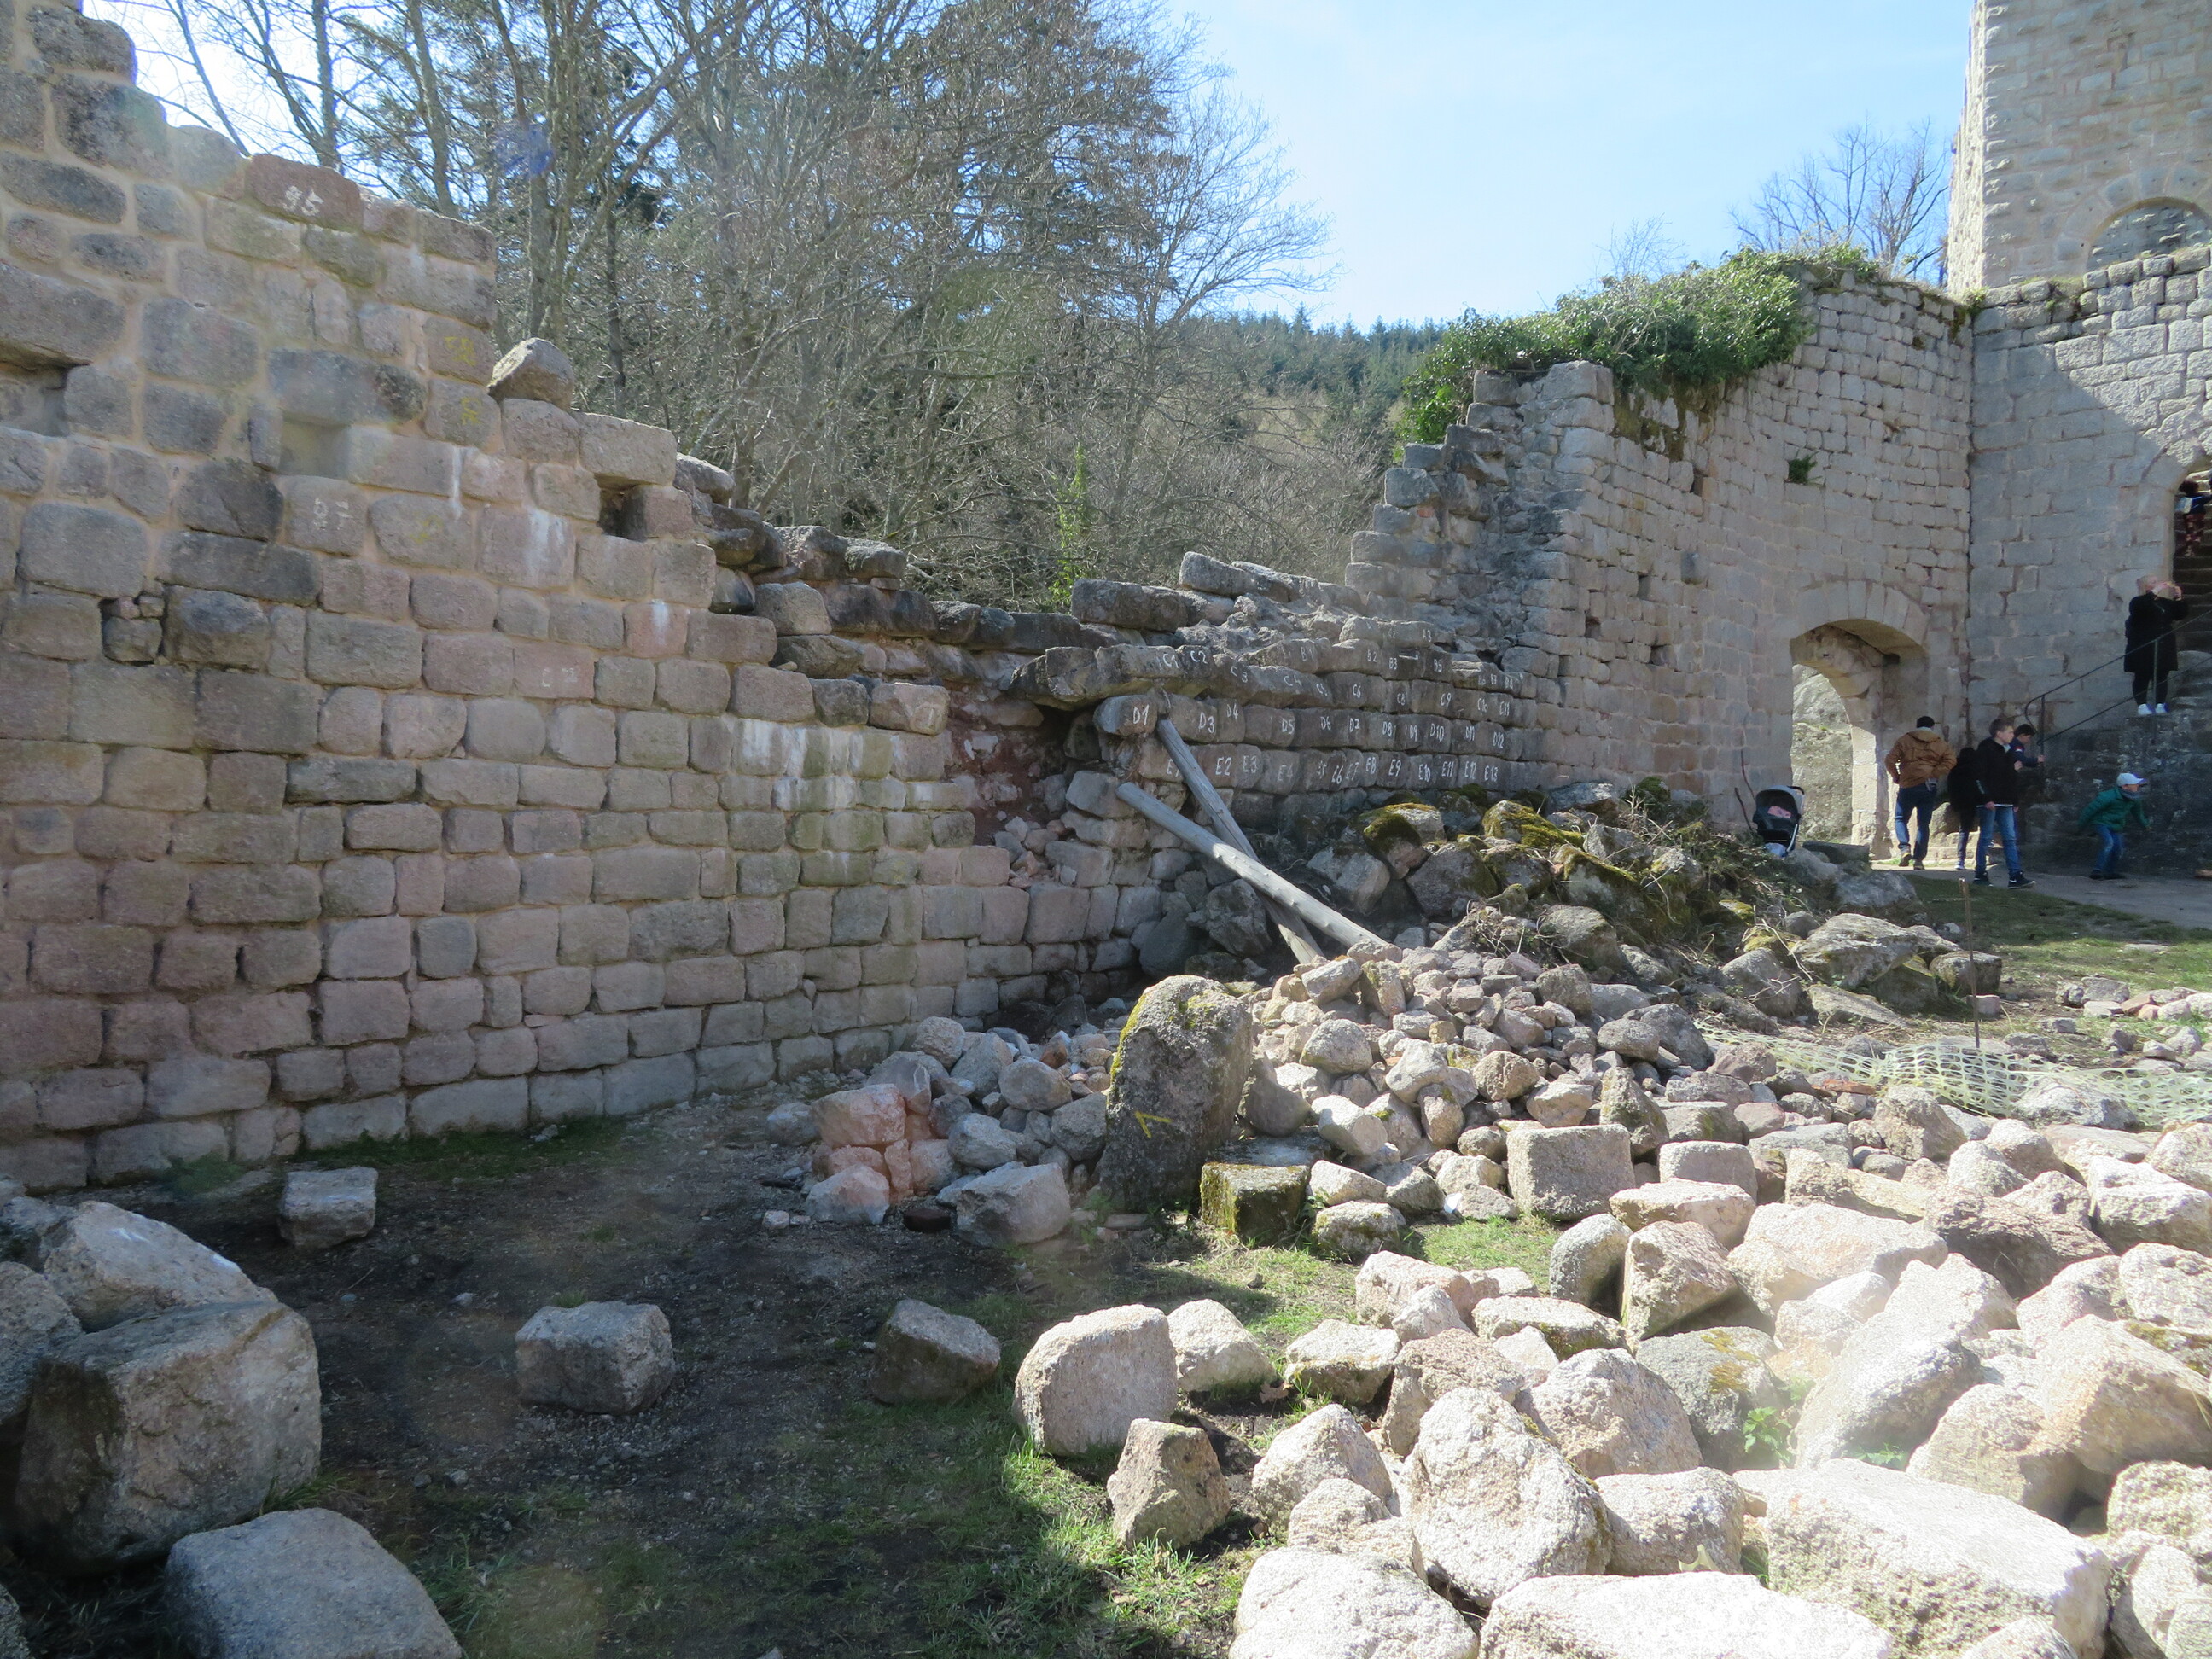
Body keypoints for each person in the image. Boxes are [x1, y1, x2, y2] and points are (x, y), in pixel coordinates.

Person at [1883, 715, 1955, 868]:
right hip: (1928, 785)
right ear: (1932, 727)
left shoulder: (1905, 740)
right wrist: (1934, 772)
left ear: (1917, 726)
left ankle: (1904, 848)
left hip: (1907, 784)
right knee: (1923, 824)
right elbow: (1951, 761)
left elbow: (1889, 760)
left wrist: (1897, 776)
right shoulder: (1939, 743)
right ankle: (1919, 860)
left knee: (1900, 818)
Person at [1970, 717, 2034, 888]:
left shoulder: (2009, 751)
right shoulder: (1986, 749)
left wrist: (2015, 800)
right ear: (1999, 733)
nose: (2013, 735)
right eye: (2010, 732)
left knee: (2010, 838)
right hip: (1991, 800)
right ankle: (1980, 873)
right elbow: (1979, 776)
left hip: (2006, 800)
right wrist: (1986, 798)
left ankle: (2015, 875)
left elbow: (2011, 778)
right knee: (1986, 837)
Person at [2126, 575, 2188, 714]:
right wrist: (2155, 591)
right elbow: (2142, 608)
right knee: (2142, 674)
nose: (2158, 583)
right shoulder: (2138, 602)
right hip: (2144, 644)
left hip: (2163, 643)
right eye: (2153, 582)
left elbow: (2180, 613)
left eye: (2157, 581)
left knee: (2161, 674)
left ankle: (2160, 704)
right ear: (2146, 586)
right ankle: (2142, 705)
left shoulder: (2164, 602)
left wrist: (2178, 597)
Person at [2079, 771, 2150, 880]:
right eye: (2134, 784)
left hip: (2115, 826)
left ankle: (2109, 872)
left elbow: (2138, 814)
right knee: (2108, 843)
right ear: (2125, 786)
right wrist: (2080, 826)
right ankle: (2097, 871)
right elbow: (2090, 811)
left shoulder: (2134, 799)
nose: (2138, 786)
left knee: (2118, 849)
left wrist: (2145, 825)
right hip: (2101, 822)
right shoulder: (2108, 797)